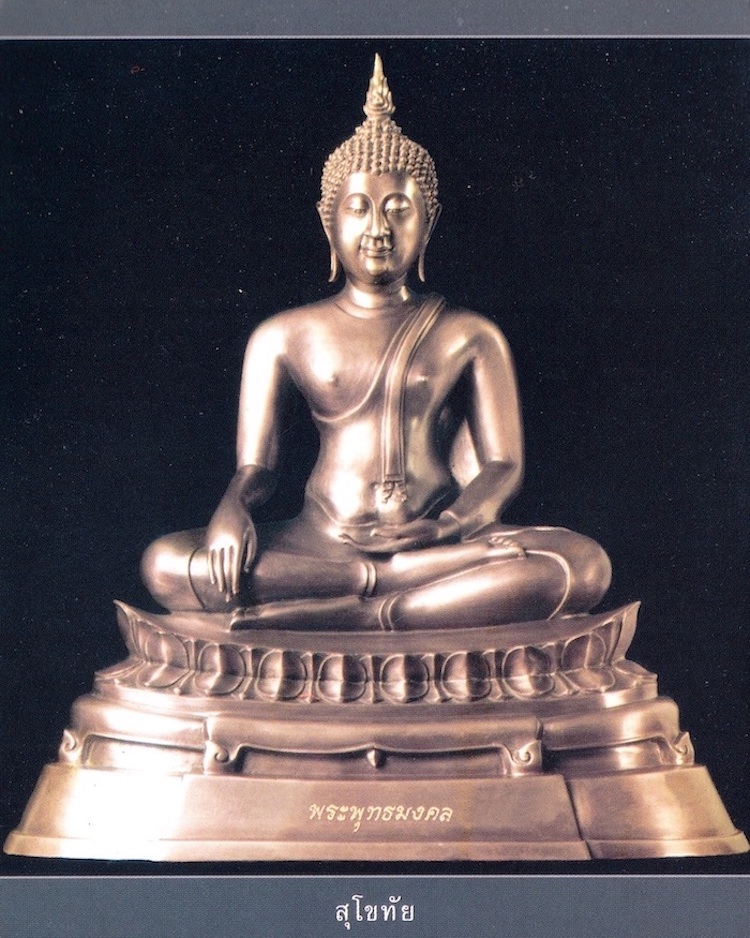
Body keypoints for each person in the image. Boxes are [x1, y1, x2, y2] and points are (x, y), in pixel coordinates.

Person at [141, 55, 611, 631]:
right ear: (328, 222)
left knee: (582, 566)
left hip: (436, 539)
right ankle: (377, 588)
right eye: (358, 209)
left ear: (428, 223)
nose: (378, 230)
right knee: (166, 564)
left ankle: (365, 610)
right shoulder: (281, 335)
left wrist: (448, 526)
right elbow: (255, 466)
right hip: (322, 541)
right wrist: (232, 508)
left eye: (398, 210)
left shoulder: (469, 333)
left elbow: (503, 464)